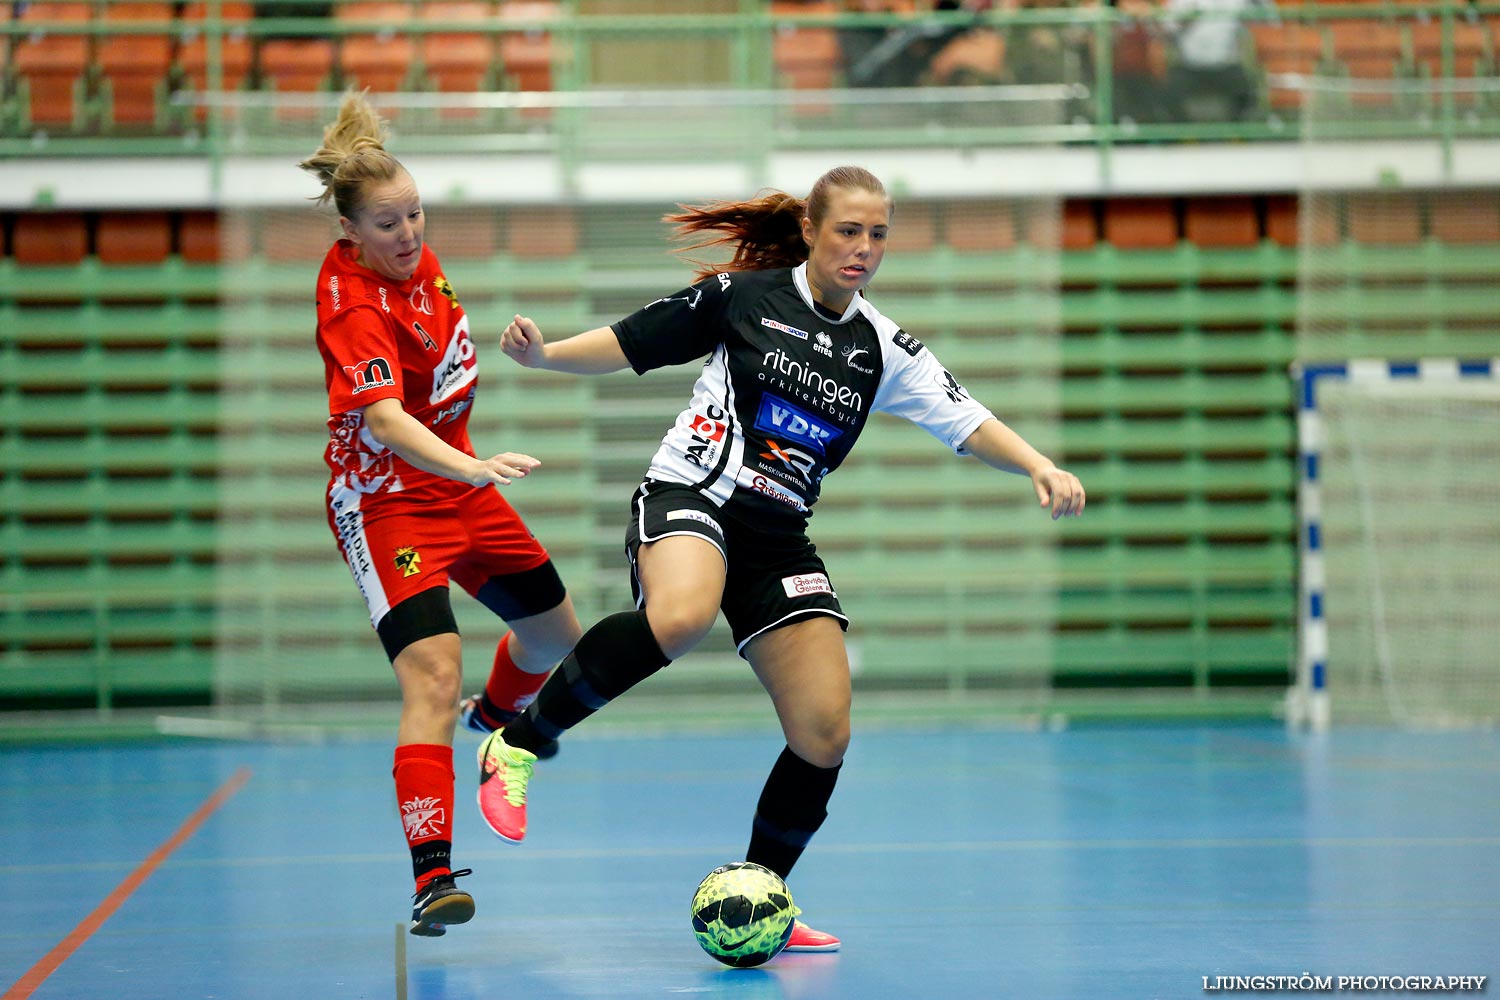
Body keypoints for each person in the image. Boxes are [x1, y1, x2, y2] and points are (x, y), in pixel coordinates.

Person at [477, 165, 1086, 953]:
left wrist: (1037, 463)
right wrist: (546, 356)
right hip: (691, 491)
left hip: (777, 534)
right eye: (847, 231)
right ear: (810, 230)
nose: (863, 249)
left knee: (824, 730)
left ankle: (764, 893)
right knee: (683, 613)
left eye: (877, 235)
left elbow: (967, 421)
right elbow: (633, 342)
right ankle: (517, 743)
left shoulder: (882, 348)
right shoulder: (744, 296)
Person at [299, 91, 583, 938]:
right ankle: (432, 878)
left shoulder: (419, 266)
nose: (410, 234)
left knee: (554, 636)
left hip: (458, 485)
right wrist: (473, 462)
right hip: (390, 506)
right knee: (431, 675)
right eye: (388, 224)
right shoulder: (352, 300)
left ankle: (497, 728)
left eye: (417, 214)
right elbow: (386, 420)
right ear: (350, 231)